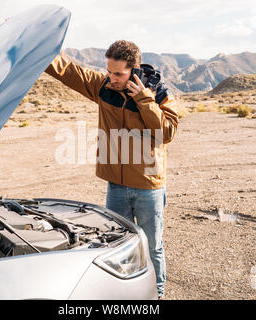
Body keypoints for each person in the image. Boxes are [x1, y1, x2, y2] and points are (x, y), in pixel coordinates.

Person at [45, 40, 179, 298]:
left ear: (135, 70)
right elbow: (69, 71)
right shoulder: (104, 87)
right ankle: (122, 293)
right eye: (109, 71)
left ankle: (157, 294)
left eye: (118, 73)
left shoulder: (159, 94)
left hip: (148, 185)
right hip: (116, 186)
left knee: (151, 247)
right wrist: (39, 47)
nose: (112, 78)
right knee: (116, 245)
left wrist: (143, 99)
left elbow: (167, 132)